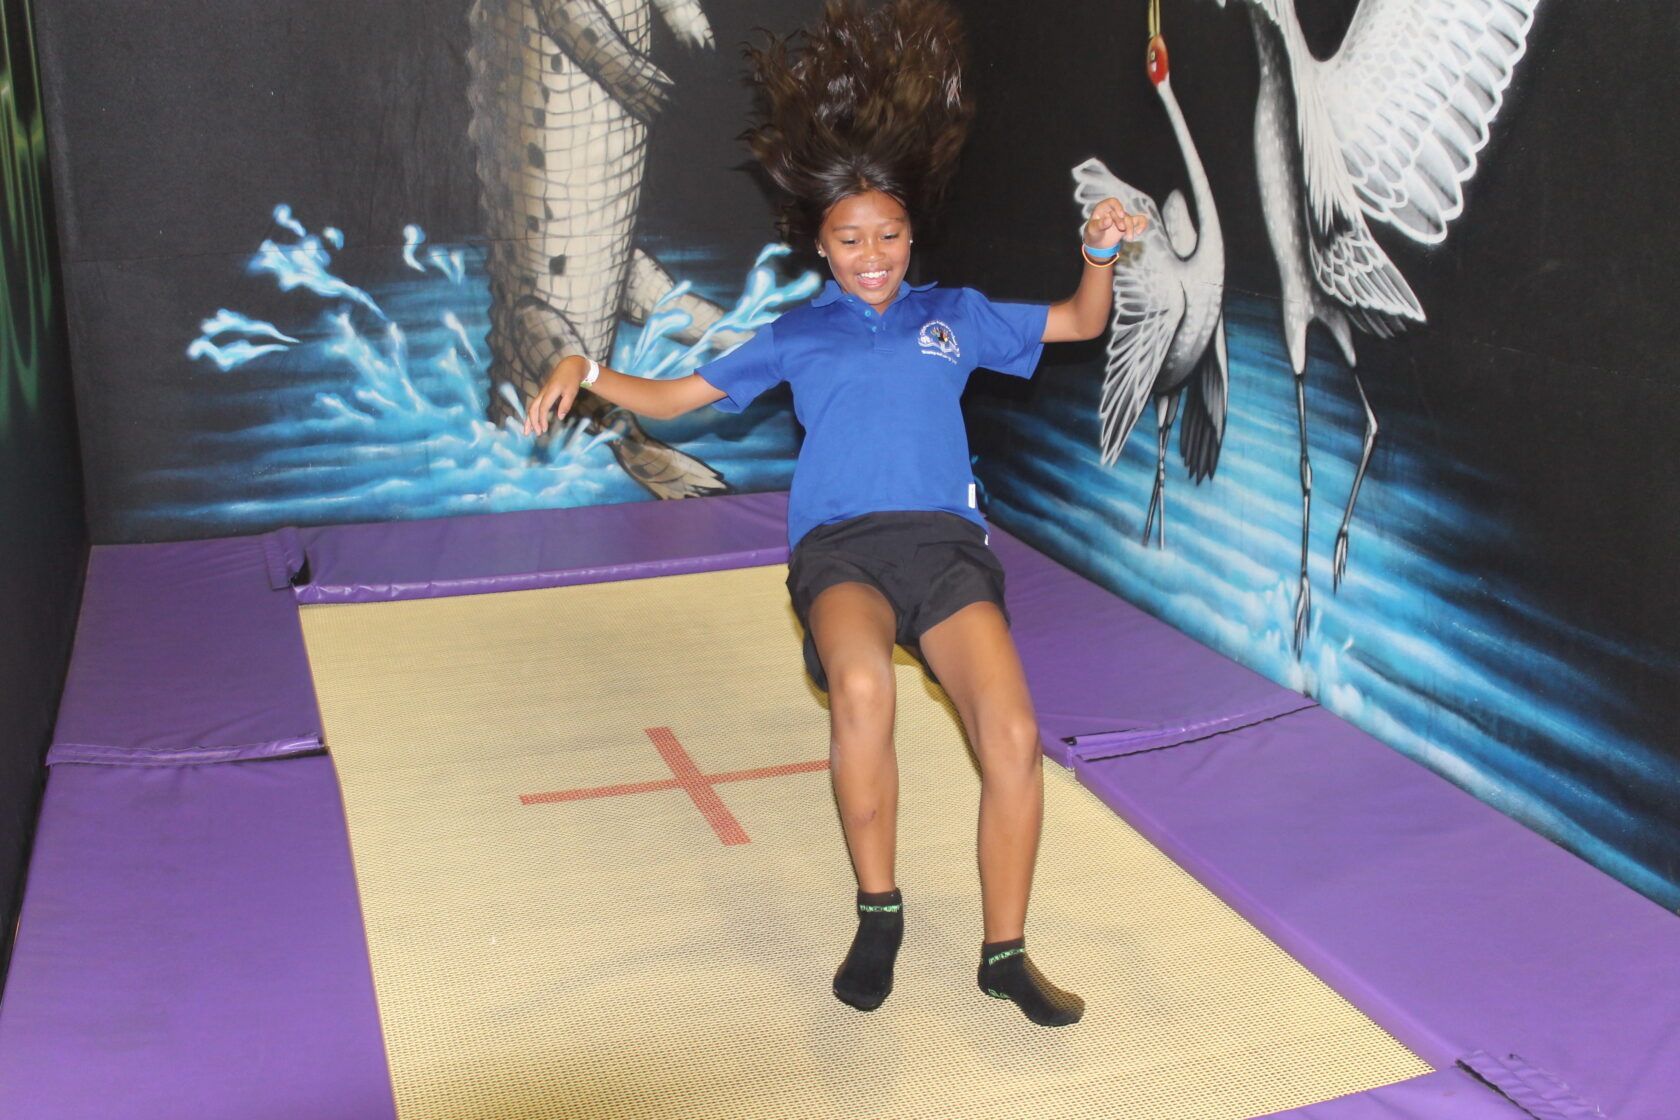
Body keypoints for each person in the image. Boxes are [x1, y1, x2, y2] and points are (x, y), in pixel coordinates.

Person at [523, 0, 1145, 1027]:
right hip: (842, 552)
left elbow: (1081, 318)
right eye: (851, 237)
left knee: (1015, 732)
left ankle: (1004, 952)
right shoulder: (794, 332)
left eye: (890, 235)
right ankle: (880, 909)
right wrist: (585, 365)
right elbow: (679, 397)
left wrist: (1101, 249)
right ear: (820, 241)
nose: (873, 254)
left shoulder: (956, 315)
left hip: (946, 549)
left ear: (912, 234)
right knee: (862, 688)